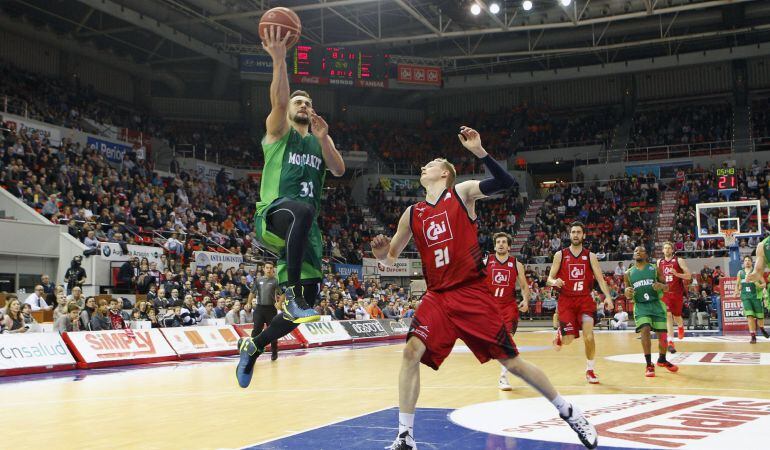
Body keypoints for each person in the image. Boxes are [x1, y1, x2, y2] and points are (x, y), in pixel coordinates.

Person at [370, 126, 597, 449]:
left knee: (512, 362)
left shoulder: (461, 193)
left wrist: (480, 152)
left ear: (445, 174)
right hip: (437, 296)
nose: (425, 166)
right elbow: (390, 258)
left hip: (471, 292)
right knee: (410, 352)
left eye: (432, 163)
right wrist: (381, 254)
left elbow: (506, 184)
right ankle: (405, 436)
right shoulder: (412, 213)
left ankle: (569, 410)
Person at [236, 25, 348, 387]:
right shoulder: (277, 131)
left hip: (305, 233)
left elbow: (339, 169)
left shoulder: (317, 141)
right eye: (299, 103)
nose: (303, 106)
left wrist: (325, 137)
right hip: (273, 215)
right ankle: (295, 294)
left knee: (304, 311)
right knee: (300, 210)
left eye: (308, 103)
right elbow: (280, 102)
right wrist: (280, 60)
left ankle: (254, 346)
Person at [547, 221, 614, 384]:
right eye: (573, 232)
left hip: (585, 300)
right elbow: (549, 279)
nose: (575, 235)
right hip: (566, 301)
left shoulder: (590, 256)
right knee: (568, 339)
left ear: (583, 235)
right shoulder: (560, 255)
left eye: (578, 232)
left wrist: (608, 297)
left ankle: (590, 370)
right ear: (569, 235)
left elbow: (600, 278)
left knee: (589, 336)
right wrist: (554, 282)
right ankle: (561, 334)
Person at [624, 246, 679, 377]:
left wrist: (661, 286)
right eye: (635, 251)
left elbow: (666, 287)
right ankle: (649, 364)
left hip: (656, 305)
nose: (637, 252)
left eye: (641, 250)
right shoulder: (628, 273)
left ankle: (662, 359)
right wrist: (627, 292)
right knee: (645, 330)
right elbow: (627, 294)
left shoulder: (654, 268)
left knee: (663, 337)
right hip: (641, 306)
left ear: (646, 254)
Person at [486, 231, 530, 391]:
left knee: (507, 339)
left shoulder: (516, 264)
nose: (501, 244)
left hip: (508, 306)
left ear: (509, 246)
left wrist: (525, 300)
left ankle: (503, 377)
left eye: (504, 242)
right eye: (498, 242)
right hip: (489, 307)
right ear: (494, 245)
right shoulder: (486, 261)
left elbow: (524, 286)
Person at [657, 241, 692, 353]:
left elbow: (689, 276)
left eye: (669, 248)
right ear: (662, 250)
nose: (667, 250)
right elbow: (657, 277)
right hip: (665, 293)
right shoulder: (659, 262)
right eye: (665, 248)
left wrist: (677, 274)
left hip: (676, 293)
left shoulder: (679, 260)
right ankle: (670, 341)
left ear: (672, 250)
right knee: (668, 315)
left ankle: (681, 326)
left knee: (677, 316)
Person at [248, 262, 279, 361]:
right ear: (264, 269)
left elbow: (282, 293)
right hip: (259, 309)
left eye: (271, 268)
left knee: (273, 332)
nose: (269, 269)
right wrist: (248, 303)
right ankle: (252, 352)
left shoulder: (275, 281)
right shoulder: (258, 280)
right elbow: (252, 292)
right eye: (267, 268)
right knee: (256, 330)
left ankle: (274, 351)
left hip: (271, 309)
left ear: (273, 269)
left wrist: (280, 302)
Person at [738, 256, 769, 343]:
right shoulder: (740, 273)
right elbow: (738, 285)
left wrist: (759, 285)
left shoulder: (756, 273)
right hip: (746, 297)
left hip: (756, 297)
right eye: (745, 260)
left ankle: (762, 328)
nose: (747, 262)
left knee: (760, 317)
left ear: (752, 262)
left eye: (749, 260)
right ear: (743, 263)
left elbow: (764, 284)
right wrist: (737, 289)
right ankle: (753, 336)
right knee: (750, 316)